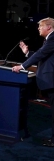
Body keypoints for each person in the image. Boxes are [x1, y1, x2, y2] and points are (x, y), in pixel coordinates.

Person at [12, 17, 54, 147]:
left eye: (40, 26)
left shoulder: (53, 38)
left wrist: (22, 66)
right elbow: (43, 56)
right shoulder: (49, 40)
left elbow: (41, 54)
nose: (38, 29)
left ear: (49, 27)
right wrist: (27, 53)